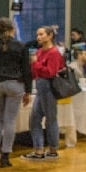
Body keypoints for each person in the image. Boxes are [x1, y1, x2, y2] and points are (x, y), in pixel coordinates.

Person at [0, 17, 31, 167]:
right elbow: (26, 70)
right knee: (10, 121)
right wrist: (28, 91)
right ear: (13, 30)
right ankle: (5, 156)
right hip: (14, 84)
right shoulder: (20, 46)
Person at [24, 25, 64, 160]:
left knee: (50, 119)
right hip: (40, 86)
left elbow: (51, 72)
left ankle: (53, 149)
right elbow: (36, 72)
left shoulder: (54, 53)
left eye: (41, 34)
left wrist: (36, 64)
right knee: (34, 119)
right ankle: (39, 150)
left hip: (49, 87)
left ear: (50, 35)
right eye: (37, 35)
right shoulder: (40, 52)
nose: (38, 37)